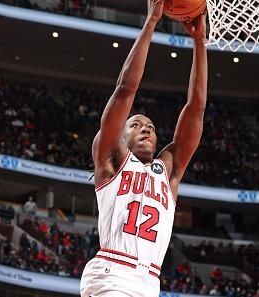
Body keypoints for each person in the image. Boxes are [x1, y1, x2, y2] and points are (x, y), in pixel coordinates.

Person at [80, 0, 207, 296]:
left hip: (150, 281)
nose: (146, 128)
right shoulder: (111, 159)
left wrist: (200, 42)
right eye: (135, 124)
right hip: (113, 273)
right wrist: (151, 21)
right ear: (120, 136)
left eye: (149, 125)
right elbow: (125, 90)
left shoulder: (168, 171)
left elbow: (196, 109)